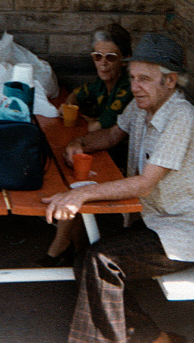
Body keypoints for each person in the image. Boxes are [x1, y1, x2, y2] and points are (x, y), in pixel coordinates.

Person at [43, 33, 194, 343]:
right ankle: (158, 342)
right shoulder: (141, 106)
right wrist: (79, 143)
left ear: (170, 81)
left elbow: (145, 183)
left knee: (100, 263)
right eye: (133, 77)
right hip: (154, 221)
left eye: (145, 79)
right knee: (87, 259)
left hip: (185, 232)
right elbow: (112, 135)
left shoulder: (181, 116)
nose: (135, 85)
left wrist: (81, 194)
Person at [39, 23, 133, 267]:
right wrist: (74, 109)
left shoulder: (126, 89)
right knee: (64, 161)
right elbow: (76, 95)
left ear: (124, 60)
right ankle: (78, 248)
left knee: (76, 181)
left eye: (110, 58)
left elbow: (101, 129)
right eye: (97, 56)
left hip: (122, 163)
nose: (103, 63)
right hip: (103, 151)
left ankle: (59, 248)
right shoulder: (102, 84)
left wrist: (88, 120)